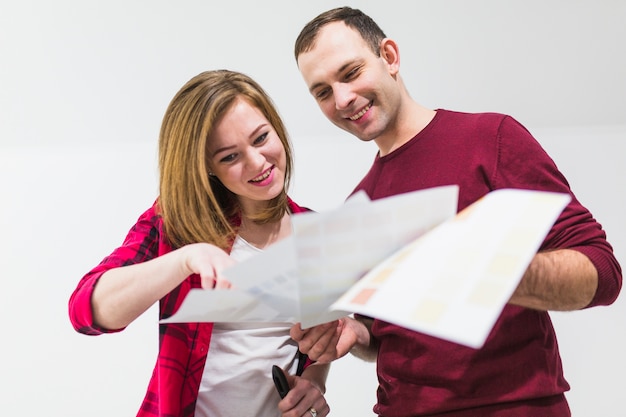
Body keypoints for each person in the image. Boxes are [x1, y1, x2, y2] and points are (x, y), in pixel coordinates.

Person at [289, 6, 622, 417]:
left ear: (389, 57)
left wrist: (490, 271)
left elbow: (603, 273)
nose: (342, 99)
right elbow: (388, 336)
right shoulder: (359, 205)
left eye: (351, 72)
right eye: (322, 92)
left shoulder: (490, 138)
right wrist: (357, 332)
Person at [68, 70, 330, 417]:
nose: (257, 162)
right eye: (229, 157)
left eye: (261, 137)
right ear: (207, 167)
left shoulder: (317, 235)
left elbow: (321, 339)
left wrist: (315, 380)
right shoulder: (177, 224)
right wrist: (186, 259)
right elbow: (86, 312)